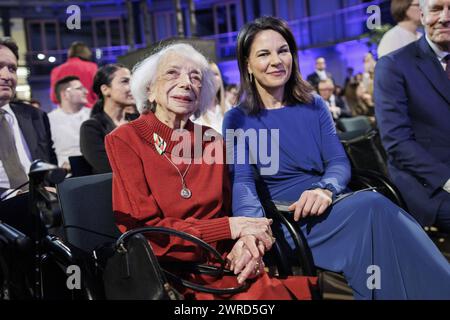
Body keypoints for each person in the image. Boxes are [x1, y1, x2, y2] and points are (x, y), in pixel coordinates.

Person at [223, 16, 450, 300]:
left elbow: (338, 162)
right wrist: (253, 230)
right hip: (289, 216)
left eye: (283, 51)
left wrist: (326, 188)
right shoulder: (236, 118)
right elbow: (242, 181)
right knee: (374, 207)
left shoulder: (314, 104)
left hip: (330, 202)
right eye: (264, 54)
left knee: (377, 215)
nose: (277, 61)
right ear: (247, 64)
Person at [105, 43, 316, 300]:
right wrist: (228, 229)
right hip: (172, 275)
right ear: (150, 90)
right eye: (173, 73)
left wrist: (247, 244)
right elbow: (147, 234)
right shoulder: (126, 139)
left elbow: (232, 210)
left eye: (196, 78)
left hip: (227, 265)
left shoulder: (212, 140)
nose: (187, 83)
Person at [374, 0, 450, 232]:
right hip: (429, 185)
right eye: (437, 9)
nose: (445, 17)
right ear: (423, 14)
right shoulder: (393, 65)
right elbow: (397, 143)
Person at [0, 37, 56, 199]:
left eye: (12, 69)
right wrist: (14, 196)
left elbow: (50, 164)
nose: (7, 76)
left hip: (42, 205)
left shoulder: (36, 116)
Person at [80, 64, 135, 174]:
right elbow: (107, 167)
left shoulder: (138, 121)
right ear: (105, 90)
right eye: (125, 81)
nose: (132, 87)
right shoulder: (91, 128)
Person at [48, 76, 91, 170]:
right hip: (66, 176)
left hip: (94, 170)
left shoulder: (93, 115)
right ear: (65, 94)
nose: (86, 92)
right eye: (79, 88)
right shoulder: (49, 120)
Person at [50, 42, 98, 108]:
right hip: (88, 110)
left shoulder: (57, 70)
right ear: (86, 53)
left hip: (66, 112)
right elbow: (96, 93)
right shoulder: (92, 67)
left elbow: (54, 98)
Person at [191, 62, 227, 133]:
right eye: (208, 75)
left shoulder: (228, 109)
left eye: (216, 74)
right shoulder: (193, 114)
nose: (213, 78)